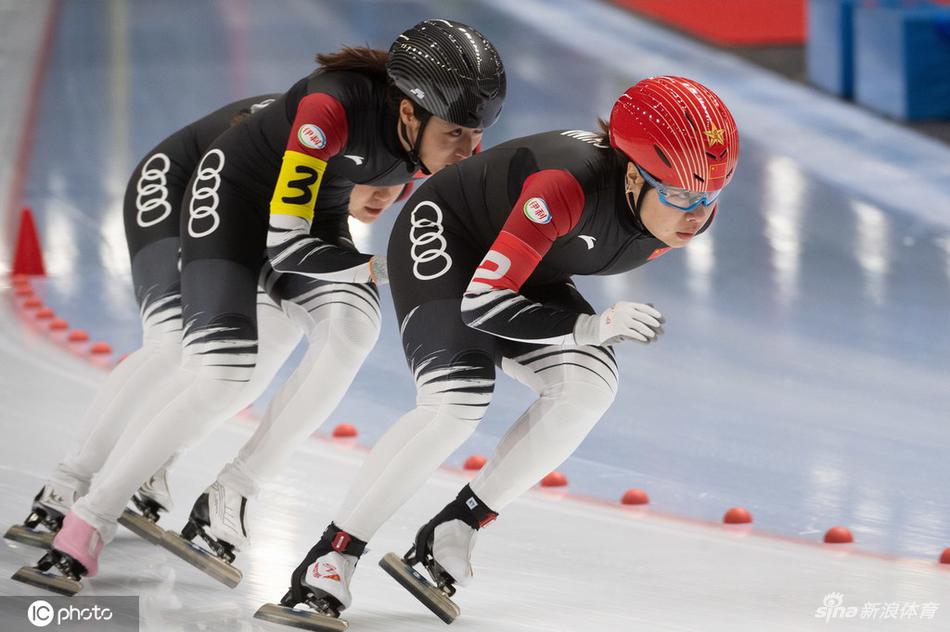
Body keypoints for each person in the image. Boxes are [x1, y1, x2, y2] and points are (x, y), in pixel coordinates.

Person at [13, 18, 506, 597]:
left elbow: (365, 214)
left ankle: (235, 489)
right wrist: (380, 268)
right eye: (457, 134)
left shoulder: (432, 139)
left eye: (477, 134)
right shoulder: (329, 109)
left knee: (351, 326)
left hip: (299, 215)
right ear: (407, 113)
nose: (469, 150)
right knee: (197, 357)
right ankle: (76, 501)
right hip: (206, 189)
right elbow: (288, 244)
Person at [261, 76, 739, 627]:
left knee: (590, 384)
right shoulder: (564, 187)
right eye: (679, 196)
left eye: (711, 198)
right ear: (633, 175)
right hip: (449, 239)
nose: (697, 215)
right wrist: (591, 325)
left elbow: (527, 281)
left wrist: (585, 329)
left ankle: (455, 527)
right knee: (456, 400)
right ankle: (332, 556)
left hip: (523, 264)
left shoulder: (674, 207)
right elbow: (484, 308)